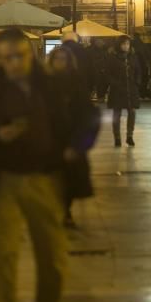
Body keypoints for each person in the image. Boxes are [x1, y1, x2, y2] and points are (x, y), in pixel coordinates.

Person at [0, 28, 88, 302]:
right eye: (6, 58)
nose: (13, 64)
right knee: (3, 253)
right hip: (4, 177)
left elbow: (87, 118)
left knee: (51, 253)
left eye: (18, 56)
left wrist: (75, 149)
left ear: (29, 54)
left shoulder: (52, 85)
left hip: (45, 177)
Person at [48, 46, 100, 225]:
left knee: (68, 177)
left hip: (70, 136)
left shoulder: (77, 82)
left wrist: (79, 143)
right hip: (50, 138)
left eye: (64, 59)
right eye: (57, 59)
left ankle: (65, 210)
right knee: (52, 178)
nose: (60, 62)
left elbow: (86, 113)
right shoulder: (45, 83)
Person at [106, 35, 141, 147]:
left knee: (132, 112)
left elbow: (138, 71)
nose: (126, 46)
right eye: (124, 44)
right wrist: (114, 83)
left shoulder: (133, 57)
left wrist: (136, 82)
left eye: (127, 44)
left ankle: (129, 136)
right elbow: (107, 73)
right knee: (117, 113)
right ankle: (117, 137)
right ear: (119, 45)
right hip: (117, 90)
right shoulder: (112, 57)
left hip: (131, 89)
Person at [132, 33, 151, 99]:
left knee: (136, 80)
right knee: (144, 80)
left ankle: (137, 94)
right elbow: (148, 56)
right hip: (144, 66)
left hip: (135, 66)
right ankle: (143, 94)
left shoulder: (132, 44)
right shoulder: (143, 45)